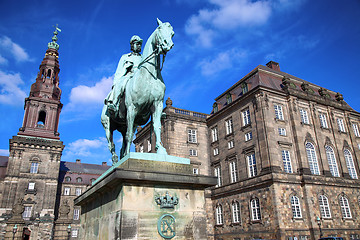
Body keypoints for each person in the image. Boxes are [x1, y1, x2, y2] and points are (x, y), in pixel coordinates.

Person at [105, 35, 143, 114]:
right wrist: (115, 83)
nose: (139, 46)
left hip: (141, 78)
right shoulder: (125, 57)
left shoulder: (143, 57)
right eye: (137, 43)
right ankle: (114, 103)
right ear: (132, 45)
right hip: (129, 76)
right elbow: (119, 71)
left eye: (140, 44)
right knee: (121, 82)